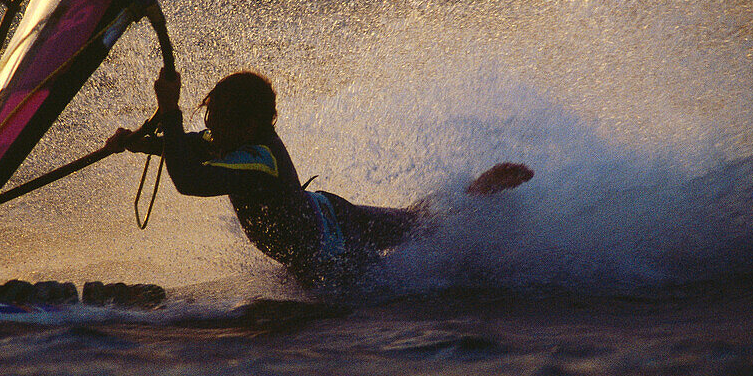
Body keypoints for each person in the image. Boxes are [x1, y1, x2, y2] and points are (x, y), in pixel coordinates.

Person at [106, 70, 532, 286]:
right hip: (330, 213)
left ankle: (478, 197)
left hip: (335, 252)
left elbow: (189, 180)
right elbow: (195, 145)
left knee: (419, 250)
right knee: (416, 223)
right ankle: (468, 196)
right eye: (208, 115)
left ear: (252, 124)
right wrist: (138, 142)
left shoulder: (259, 160)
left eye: (220, 118)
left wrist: (172, 112)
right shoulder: (233, 139)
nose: (211, 126)